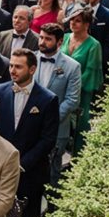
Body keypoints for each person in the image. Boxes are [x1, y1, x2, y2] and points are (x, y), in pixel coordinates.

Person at [0, 49, 58, 217]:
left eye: (18, 67)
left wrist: (21, 164)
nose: (12, 70)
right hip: (0, 168)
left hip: (31, 172)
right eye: (11, 65)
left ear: (32, 69)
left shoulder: (48, 99)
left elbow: (48, 139)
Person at [35, 23, 82, 185]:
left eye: (48, 39)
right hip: (30, 125)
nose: (42, 42)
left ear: (60, 42)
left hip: (56, 130)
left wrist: (49, 120)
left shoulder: (72, 67)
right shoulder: (30, 59)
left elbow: (72, 100)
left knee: (51, 172)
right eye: (41, 37)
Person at [62, 5, 103, 154]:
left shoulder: (94, 45)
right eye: (72, 20)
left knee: (80, 128)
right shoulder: (65, 37)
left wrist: (71, 87)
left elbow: (90, 72)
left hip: (81, 93)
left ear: (87, 25)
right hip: (61, 90)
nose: (73, 23)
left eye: (77, 21)